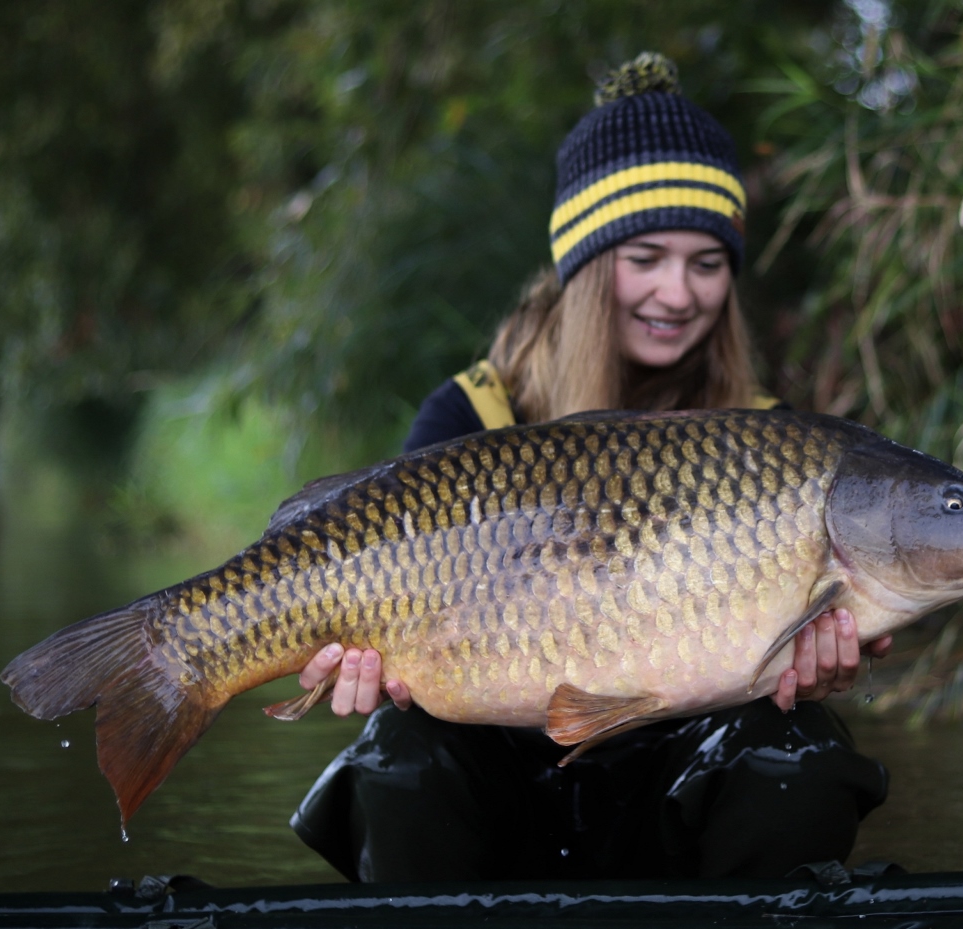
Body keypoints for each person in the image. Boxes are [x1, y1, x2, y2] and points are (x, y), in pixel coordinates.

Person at [289, 52, 891, 883]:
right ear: (585, 264)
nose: (678, 292)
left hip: (678, 783)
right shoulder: (469, 418)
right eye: (645, 257)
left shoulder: (772, 448)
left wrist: (815, 670)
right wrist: (360, 665)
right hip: (503, 785)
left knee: (801, 751)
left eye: (707, 263)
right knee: (397, 750)